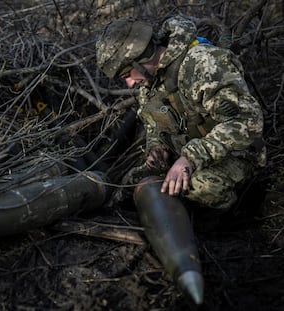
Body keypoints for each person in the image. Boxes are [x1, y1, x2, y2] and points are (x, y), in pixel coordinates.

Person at [96, 15, 266, 215]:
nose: (130, 84)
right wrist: (157, 149)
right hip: (190, 156)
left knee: (201, 188)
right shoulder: (150, 85)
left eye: (127, 75)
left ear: (142, 59)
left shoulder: (203, 63)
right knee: (130, 186)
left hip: (235, 154)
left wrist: (190, 158)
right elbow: (154, 126)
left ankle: (240, 217)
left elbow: (246, 122)